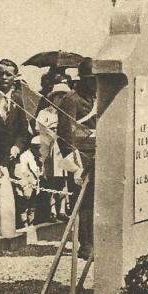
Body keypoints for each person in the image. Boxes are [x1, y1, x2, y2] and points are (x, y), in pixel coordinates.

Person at [57, 57, 97, 259]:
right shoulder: (71, 100)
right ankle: (86, 244)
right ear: (83, 79)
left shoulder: (96, 98)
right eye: (91, 79)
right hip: (80, 159)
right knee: (83, 204)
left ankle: (95, 240)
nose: (95, 84)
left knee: (96, 202)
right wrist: (75, 166)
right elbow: (65, 136)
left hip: (97, 157)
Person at [35, 81, 71, 221]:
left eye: (63, 96)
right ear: (53, 97)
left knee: (63, 179)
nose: (60, 99)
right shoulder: (45, 112)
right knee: (50, 179)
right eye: (58, 96)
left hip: (61, 147)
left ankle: (62, 209)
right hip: (48, 146)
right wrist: (51, 128)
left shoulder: (66, 113)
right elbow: (38, 128)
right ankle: (51, 210)